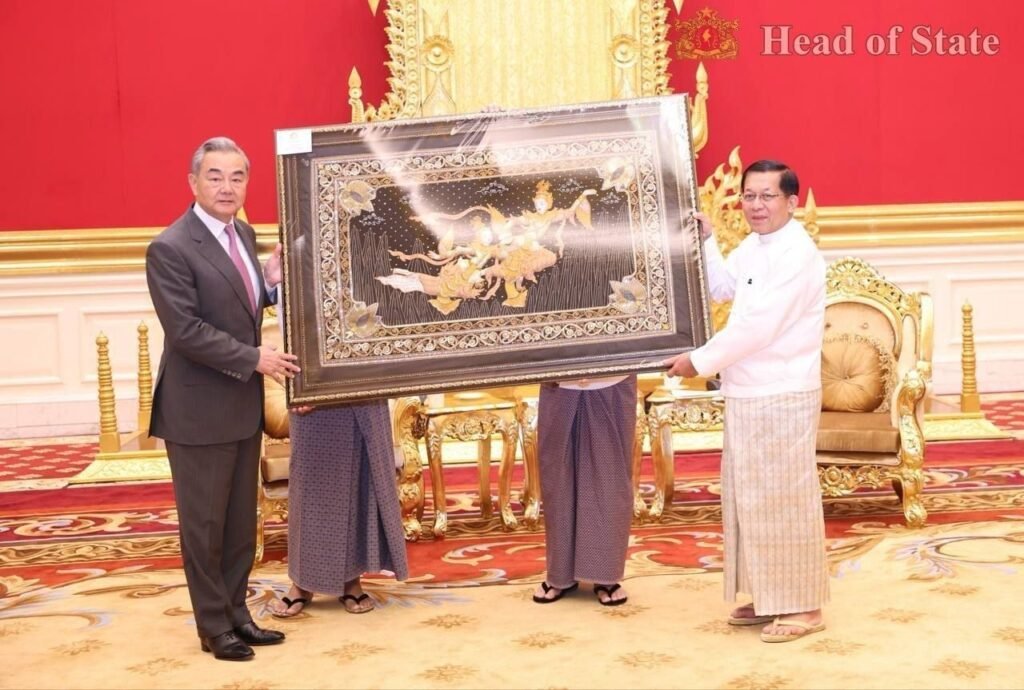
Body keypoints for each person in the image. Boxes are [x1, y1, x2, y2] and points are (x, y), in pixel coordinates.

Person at [146, 136, 300, 661]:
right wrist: (255, 358)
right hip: (197, 411)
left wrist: (270, 283)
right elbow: (187, 331)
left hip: (240, 405)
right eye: (215, 176)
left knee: (237, 526)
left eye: (237, 177)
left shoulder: (243, 233)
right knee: (205, 527)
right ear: (194, 182)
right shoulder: (170, 247)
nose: (227, 187)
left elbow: (241, 303)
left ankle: (237, 615)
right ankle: (213, 626)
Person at [664, 159, 828, 643]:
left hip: (782, 392)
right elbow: (723, 287)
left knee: (785, 500)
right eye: (749, 195)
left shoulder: (797, 253)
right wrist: (708, 239)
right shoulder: (757, 246)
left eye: (767, 196)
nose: (756, 205)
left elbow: (760, 328)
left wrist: (698, 361)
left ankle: (805, 607)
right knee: (752, 499)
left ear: (791, 202)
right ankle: (772, 595)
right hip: (749, 390)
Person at [267, 392, 409, 617]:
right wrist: (300, 390)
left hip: (364, 385)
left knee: (362, 475)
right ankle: (301, 583)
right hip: (314, 388)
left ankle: (351, 579)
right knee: (311, 484)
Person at [533, 374, 636, 607]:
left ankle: (606, 576)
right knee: (557, 478)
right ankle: (560, 575)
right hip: (561, 380)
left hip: (612, 379)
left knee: (609, 480)